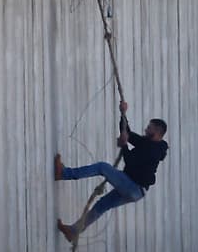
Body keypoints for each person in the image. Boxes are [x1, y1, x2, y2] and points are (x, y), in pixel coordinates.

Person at [54, 100, 169, 243]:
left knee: (102, 167)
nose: (146, 130)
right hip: (137, 191)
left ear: (157, 132)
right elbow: (127, 132)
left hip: (133, 186)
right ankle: (73, 231)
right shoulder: (148, 143)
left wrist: (124, 145)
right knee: (102, 205)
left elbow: (131, 163)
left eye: (149, 128)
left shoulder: (153, 151)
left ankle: (64, 173)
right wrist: (123, 113)